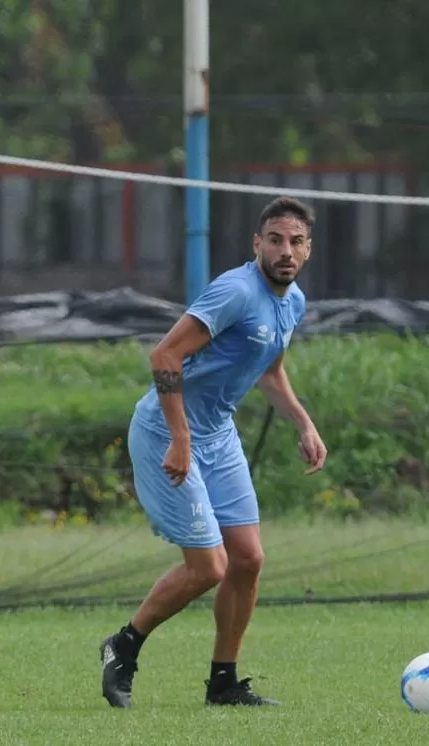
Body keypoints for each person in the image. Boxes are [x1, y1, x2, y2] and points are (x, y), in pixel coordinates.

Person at [100, 196, 328, 708]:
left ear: (308, 249)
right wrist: (181, 438)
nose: (284, 250)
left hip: (217, 436)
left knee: (248, 559)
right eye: (275, 240)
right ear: (257, 244)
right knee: (208, 567)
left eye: (295, 241)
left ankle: (223, 683)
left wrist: (304, 423)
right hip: (166, 431)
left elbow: (269, 368)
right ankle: (123, 647)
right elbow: (165, 355)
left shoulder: (292, 301)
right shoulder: (236, 291)